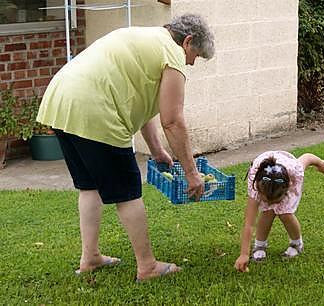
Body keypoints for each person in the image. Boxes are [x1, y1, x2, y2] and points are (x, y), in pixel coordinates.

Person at [36, 14, 215, 281]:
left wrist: (156, 150)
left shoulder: (144, 36)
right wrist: (191, 173)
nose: (191, 62)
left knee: (89, 185)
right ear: (187, 41)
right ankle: (147, 267)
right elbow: (173, 120)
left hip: (60, 99)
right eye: (195, 55)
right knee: (128, 192)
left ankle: (90, 257)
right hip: (96, 110)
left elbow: (144, 106)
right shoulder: (172, 54)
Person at [234, 151, 324, 272]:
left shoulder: (295, 170)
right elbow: (249, 223)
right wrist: (244, 254)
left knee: (285, 213)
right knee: (267, 211)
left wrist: (321, 164)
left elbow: (307, 157)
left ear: (287, 189)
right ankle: (260, 245)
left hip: (285, 174)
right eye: (265, 199)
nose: (270, 202)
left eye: (275, 199)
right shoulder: (256, 183)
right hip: (264, 171)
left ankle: (296, 244)